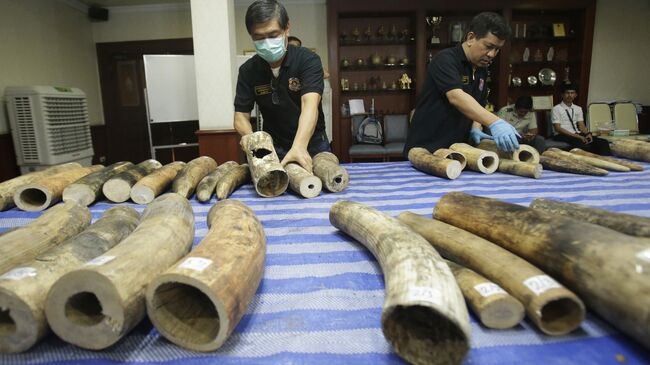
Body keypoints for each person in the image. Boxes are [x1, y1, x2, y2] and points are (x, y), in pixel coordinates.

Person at [404, 12, 519, 156]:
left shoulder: (481, 69)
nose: (492, 54)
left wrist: (476, 126)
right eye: (489, 46)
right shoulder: (445, 59)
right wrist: (495, 122)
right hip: (426, 149)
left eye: (497, 49)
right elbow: (456, 97)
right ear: (471, 38)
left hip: (458, 151)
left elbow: (478, 104)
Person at [234, 0, 329, 172]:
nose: (267, 42)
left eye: (273, 35)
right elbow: (241, 115)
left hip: (312, 144)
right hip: (273, 148)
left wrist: (299, 146)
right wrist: (249, 137)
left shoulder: (308, 60)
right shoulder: (248, 71)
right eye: (259, 37)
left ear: (286, 29)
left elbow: (310, 105)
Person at [550, 83, 611, 155]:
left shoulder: (578, 108)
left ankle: (605, 161)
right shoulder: (556, 109)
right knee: (581, 144)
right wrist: (578, 137)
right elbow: (558, 128)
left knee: (603, 143)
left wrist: (588, 134)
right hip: (562, 135)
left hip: (577, 134)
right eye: (567, 93)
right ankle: (588, 163)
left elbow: (581, 125)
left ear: (575, 95)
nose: (570, 95)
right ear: (562, 95)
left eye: (572, 93)